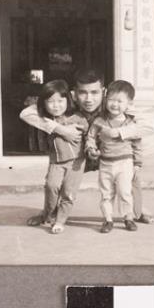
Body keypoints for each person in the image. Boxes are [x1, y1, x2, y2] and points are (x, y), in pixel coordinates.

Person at [19, 68, 154, 226]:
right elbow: (26, 113)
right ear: (74, 92)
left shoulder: (113, 103)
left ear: (103, 91)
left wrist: (117, 132)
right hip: (76, 156)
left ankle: (137, 211)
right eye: (83, 92)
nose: (89, 99)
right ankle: (48, 212)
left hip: (109, 155)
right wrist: (60, 129)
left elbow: (149, 125)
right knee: (55, 181)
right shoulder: (67, 101)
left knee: (131, 176)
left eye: (94, 92)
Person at [33, 79, 88, 234]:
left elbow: (88, 132)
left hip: (76, 163)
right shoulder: (45, 121)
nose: (56, 105)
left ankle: (60, 221)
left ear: (68, 100)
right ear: (44, 104)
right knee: (51, 187)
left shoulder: (77, 117)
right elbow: (26, 114)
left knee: (68, 193)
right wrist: (60, 129)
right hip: (56, 162)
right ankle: (47, 215)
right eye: (50, 102)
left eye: (60, 101)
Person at [85, 80, 141, 233]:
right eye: (111, 100)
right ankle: (108, 220)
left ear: (129, 103)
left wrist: (137, 163)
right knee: (106, 193)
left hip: (125, 163)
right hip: (105, 163)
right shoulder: (99, 121)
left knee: (125, 192)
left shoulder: (131, 123)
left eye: (119, 101)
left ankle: (128, 218)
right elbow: (91, 137)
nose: (114, 104)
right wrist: (91, 149)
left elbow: (137, 143)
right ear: (105, 99)